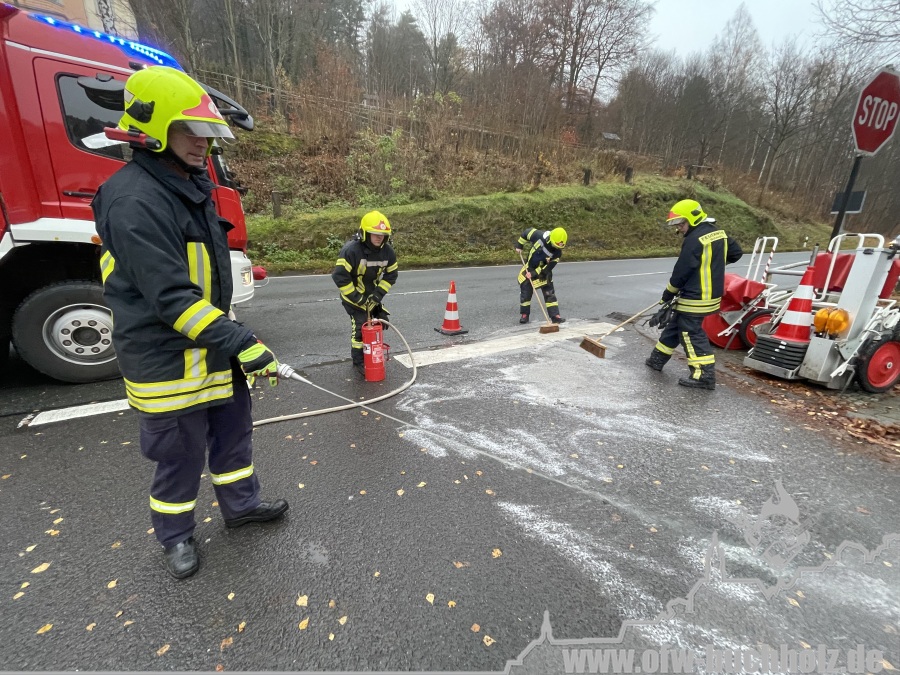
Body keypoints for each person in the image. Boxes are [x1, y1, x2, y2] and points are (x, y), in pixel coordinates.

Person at [92, 66, 288, 580]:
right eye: (189, 130)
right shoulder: (133, 200)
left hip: (211, 347)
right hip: (166, 359)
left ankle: (241, 507)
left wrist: (231, 340)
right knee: (179, 456)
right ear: (153, 131)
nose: (202, 143)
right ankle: (175, 535)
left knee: (233, 437)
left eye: (206, 132)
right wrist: (243, 341)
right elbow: (172, 298)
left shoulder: (187, 182)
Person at [645, 199, 743, 390]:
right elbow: (736, 253)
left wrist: (668, 293)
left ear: (692, 218)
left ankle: (704, 376)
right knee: (676, 325)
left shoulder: (694, 240)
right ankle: (657, 359)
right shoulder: (719, 234)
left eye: (681, 223)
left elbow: (681, 272)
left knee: (690, 333)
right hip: (709, 294)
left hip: (696, 297)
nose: (679, 228)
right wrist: (712, 264)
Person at [332, 210, 399, 375]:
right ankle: (359, 361)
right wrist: (358, 299)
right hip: (353, 298)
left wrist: (377, 296)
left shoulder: (387, 252)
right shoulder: (351, 251)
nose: (379, 238)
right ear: (364, 233)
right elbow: (340, 276)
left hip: (371, 297)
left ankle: (372, 353)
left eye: (382, 235)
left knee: (380, 322)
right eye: (375, 234)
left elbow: (391, 275)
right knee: (361, 327)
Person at [515, 227, 567, 324]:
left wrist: (537, 273)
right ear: (550, 239)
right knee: (526, 293)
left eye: (559, 247)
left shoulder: (558, 252)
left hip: (544, 271)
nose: (556, 248)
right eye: (555, 245)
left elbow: (550, 265)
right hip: (530, 268)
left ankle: (555, 316)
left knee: (549, 294)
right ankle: (524, 315)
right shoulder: (538, 236)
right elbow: (526, 233)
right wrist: (519, 245)